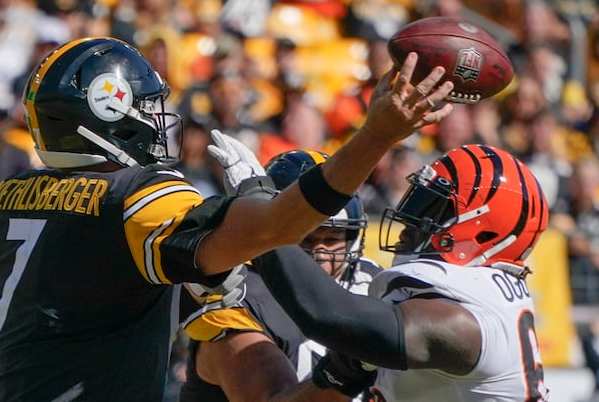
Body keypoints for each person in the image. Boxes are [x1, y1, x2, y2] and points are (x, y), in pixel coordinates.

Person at [0, 36, 456, 401]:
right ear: (108, 109)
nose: (157, 119)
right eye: (147, 107)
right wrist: (376, 135)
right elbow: (278, 228)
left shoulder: (15, 193)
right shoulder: (136, 199)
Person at [213, 143, 550, 401]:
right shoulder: (477, 296)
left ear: (483, 231)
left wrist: (262, 211)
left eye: (433, 208)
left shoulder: (463, 323)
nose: (411, 219)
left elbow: (328, 314)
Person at [179, 149, 382, 401]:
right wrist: (345, 370)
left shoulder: (370, 280)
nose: (319, 254)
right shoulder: (236, 297)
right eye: (306, 239)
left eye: (332, 239)